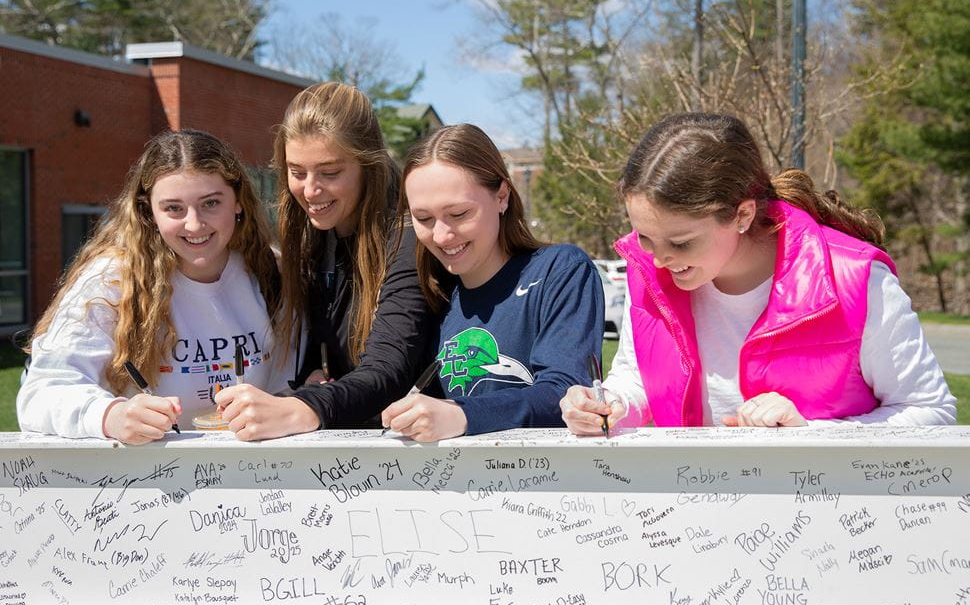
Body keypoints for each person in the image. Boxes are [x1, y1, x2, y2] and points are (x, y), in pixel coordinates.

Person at [561, 112, 956, 433]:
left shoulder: (855, 279)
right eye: (645, 237)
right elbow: (638, 379)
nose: (659, 259)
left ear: (743, 214)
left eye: (681, 242)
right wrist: (608, 404)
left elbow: (929, 411)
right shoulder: (648, 271)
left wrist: (810, 431)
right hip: (692, 513)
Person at [17, 129, 295, 444]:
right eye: (173, 208)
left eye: (211, 203)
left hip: (257, 478)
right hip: (147, 482)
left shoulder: (272, 271)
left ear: (238, 202)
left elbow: (295, 375)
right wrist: (112, 416)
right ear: (149, 211)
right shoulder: (111, 281)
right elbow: (40, 394)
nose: (194, 224)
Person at [215, 82, 436, 439]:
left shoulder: (408, 238)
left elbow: (388, 371)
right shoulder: (315, 237)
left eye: (330, 173)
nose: (311, 190)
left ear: (368, 166)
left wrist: (303, 406)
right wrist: (312, 376)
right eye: (297, 172)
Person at [381, 124, 604, 441]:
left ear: (502, 196)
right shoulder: (431, 294)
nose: (442, 235)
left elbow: (564, 391)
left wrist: (462, 414)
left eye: (458, 213)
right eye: (424, 218)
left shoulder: (560, 271)